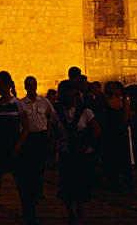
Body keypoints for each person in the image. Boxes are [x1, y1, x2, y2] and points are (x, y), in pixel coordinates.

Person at [0, 71, 34, 225]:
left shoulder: (18, 104)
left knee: (23, 187)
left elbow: (26, 128)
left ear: (8, 85)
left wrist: (17, 146)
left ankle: (30, 219)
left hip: (14, 151)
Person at [50, 79, 100, 223]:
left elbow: (97, 131)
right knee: (66, 188)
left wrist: (87, 143)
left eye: (73, 96)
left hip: (83, 155)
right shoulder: (57, 113)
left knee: (81, 188)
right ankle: (71, 213)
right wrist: (52, 154)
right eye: (68, 96)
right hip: (66, 154)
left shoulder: (86, 112)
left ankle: (80, 214)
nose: (71, 99)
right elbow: (53, 135)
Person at [20, 75, 52, 199]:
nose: (31, 87)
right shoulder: (22, 103)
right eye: (28, 85)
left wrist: (49, 130)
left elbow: (51, 116)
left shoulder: (44, 102)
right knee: (29, 166)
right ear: (25, 87)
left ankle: (39, 190)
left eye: (33, 85)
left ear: (36, 86)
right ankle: (31, 190)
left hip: (41, 136)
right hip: (28, 138)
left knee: (39, 165)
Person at [102, 81, 134, 190]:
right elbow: (126, 117)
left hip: (111, 132)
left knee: (114, 158)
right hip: (118, 132)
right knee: (121, 159)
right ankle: (123, 182)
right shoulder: (122, 102)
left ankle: (116, 181)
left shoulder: (107, 101)